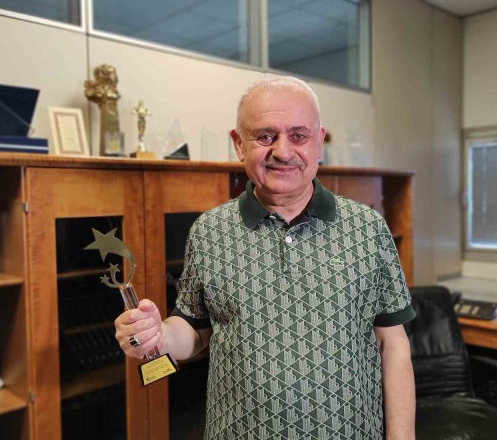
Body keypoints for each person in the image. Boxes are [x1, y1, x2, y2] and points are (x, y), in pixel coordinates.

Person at [114, 76, 416, 439]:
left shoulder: (368, 228)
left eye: (299, 136)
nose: (283, 152)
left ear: (319, 142)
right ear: (239, 144)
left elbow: (392, 344)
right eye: (265, 136)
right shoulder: (209, 231)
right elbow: (195, 330)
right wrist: (158, 335)